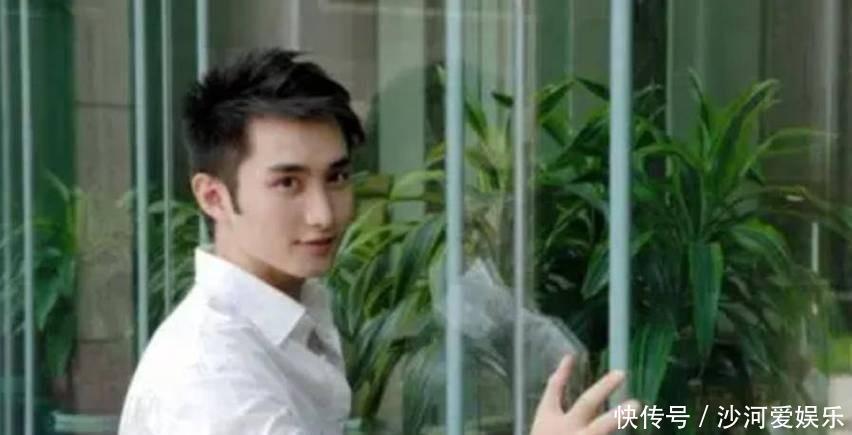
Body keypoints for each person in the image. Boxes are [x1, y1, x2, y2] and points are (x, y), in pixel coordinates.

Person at [117, 49, 637, 435]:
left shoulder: (285, 320)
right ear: (213, 196)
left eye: (337, 177)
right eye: (288, 183)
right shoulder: (213, 385)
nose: (324, 214)